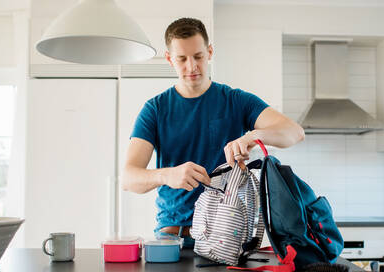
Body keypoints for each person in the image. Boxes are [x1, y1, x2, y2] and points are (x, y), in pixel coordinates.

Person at [122, 17, 305, 248]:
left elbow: (294, 132)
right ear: (169, 59)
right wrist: (166, 175)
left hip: (229, 237)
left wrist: (251, 136)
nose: (192, 66)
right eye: (182, 59)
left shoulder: (236, 101)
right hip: (172, 237)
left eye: (198, 56)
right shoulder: (155, 109)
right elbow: (128, 179)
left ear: (209, 52)